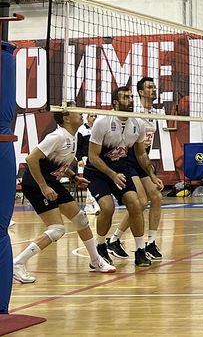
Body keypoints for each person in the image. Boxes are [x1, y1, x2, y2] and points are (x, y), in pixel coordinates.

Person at [13, 106, 115, 283]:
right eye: (76, 111)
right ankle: (18, 264)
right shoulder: (57, 136)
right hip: (37, 185)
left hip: (52, 182)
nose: (80, 113)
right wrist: (44, 187)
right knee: (57, 229)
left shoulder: (72, 136)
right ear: (66, 118)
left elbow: (59, 163)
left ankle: (95, 261)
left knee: (81, 220)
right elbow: (31, 159)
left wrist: (74, 177)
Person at [84, 86, 161, 268]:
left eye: (130, 96)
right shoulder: (102, 123)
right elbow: (93, 157)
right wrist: (112, 174)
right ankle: (101, 245)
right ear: (116, 103)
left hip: (121, 170)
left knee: (136, 204)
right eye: (126, 97)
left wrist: (151, 175)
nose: (131, 100)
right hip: (98, 173)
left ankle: (141, 250)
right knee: (108, 208)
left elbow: (141, 155)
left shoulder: (138, 124)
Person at [107, 77, 165, 261]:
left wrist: (151, 173)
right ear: (141, 92)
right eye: (149, 87)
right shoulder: (133, 110)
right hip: (128, 159)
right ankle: (115, 240)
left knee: (156, 197)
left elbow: (145, 147)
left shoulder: (152, 113)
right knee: (139, 203)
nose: (154, 89)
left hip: (142, 158)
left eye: (154, 86)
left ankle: (151, 242)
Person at [76, 113, 100, 215]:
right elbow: (78, 146)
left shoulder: (98, 129)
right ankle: (95, 205)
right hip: (85, 159)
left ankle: (89, 206)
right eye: (91, 116)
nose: (93, 118)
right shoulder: (82, 129)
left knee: (94, 180)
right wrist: (79, 159)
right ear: (87, 117)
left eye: (95, 116)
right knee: (89, 181)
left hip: (95, 158)